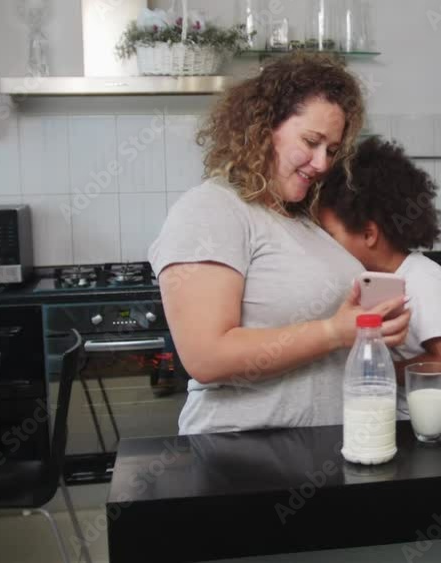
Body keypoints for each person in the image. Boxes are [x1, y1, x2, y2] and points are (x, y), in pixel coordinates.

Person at [148, 53, 412, 435]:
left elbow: (328, 329)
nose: (322, 163)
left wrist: (370, 329)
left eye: (331, 150)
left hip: (322, 449)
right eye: (311, 141)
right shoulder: (211, 210)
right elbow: (206, 357)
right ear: (263, 127)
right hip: (246, 451)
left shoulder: (298, 219)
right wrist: (334, 332)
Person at [317, 137, 441, 419]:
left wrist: (377, 372)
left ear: (369, 234)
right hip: (412, 411)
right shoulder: (377, 279)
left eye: (331, 236)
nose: (326, 245)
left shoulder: (422, 281)